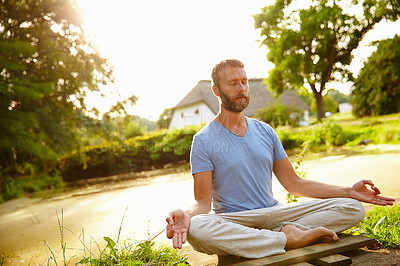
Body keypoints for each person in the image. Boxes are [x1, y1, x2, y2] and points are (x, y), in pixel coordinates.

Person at [165, 59, 395, 259]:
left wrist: (348, 191)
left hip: (277, 213)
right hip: (237, 220)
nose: (242, 88)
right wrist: (185, 215)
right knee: (198, 228)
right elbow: (203, 203)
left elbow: (294, 184)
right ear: (216, 90)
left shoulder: (265, 131)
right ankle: (286, 239)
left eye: (244, 81)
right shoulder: (203, 140)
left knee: (352, 207)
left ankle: (277, 236)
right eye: (233, 83)